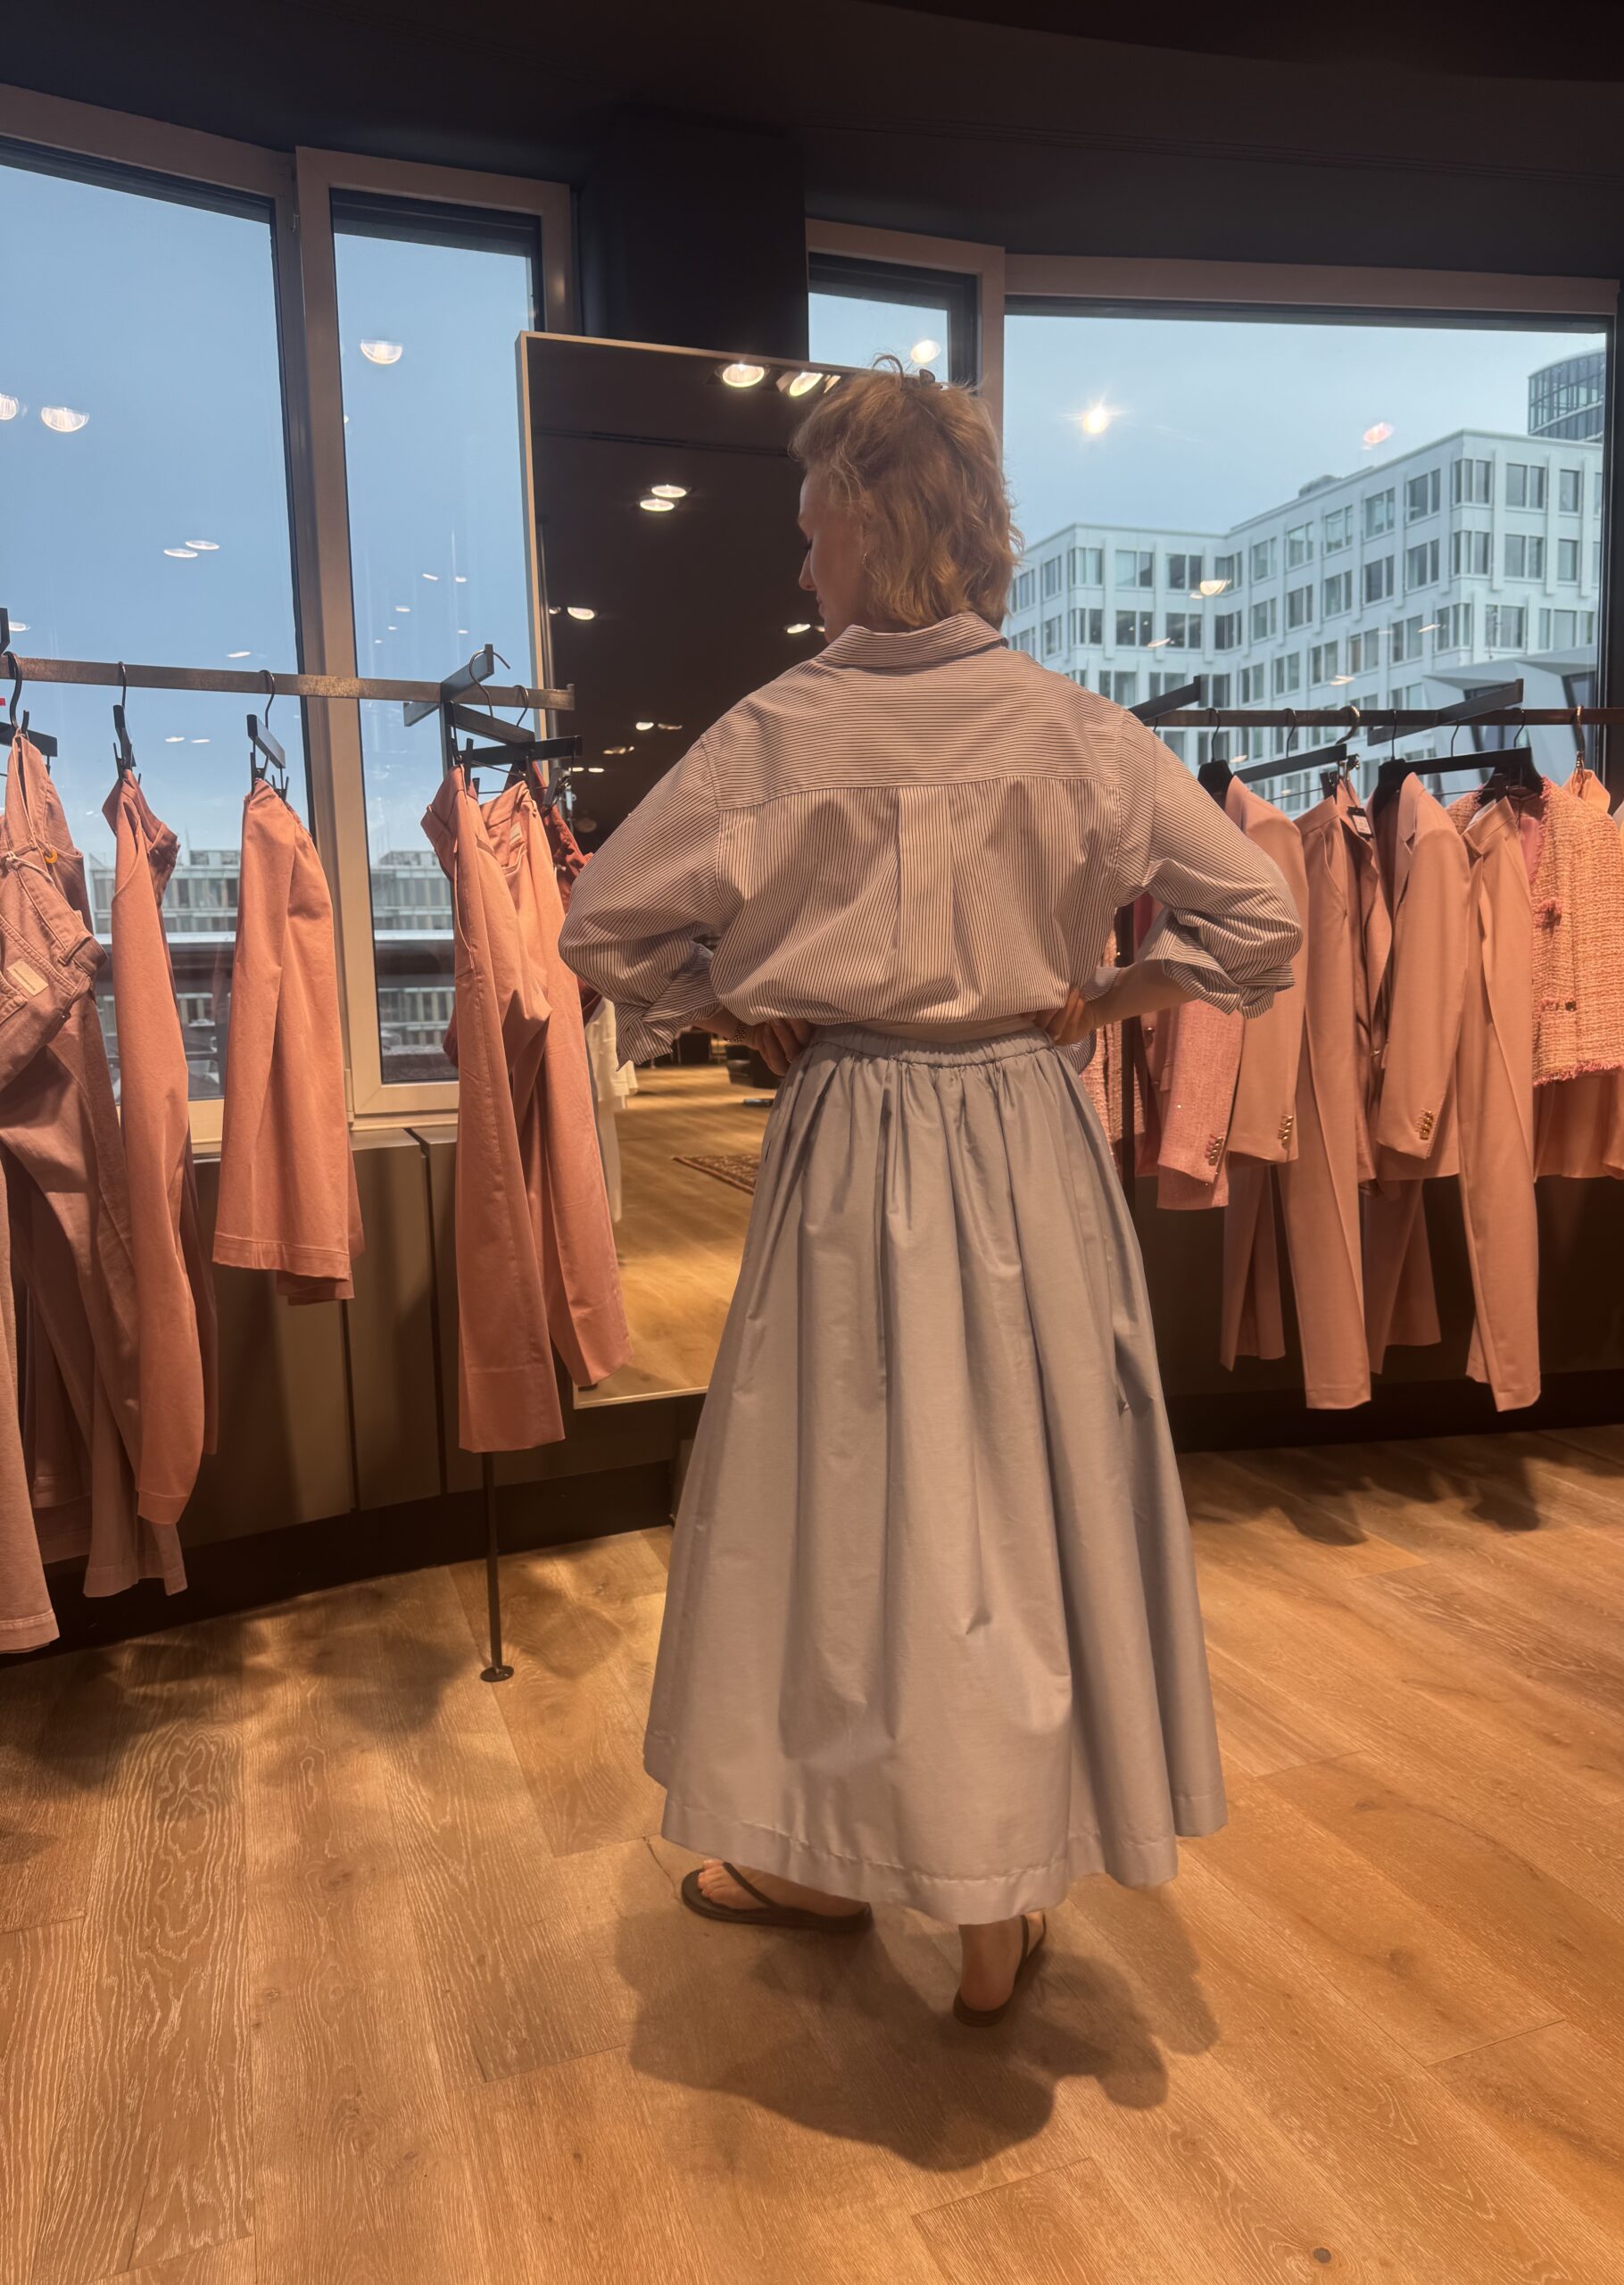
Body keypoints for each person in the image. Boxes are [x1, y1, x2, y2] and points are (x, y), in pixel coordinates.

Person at [559, 361, 1301, 2026]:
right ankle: (995, 1905)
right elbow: (1262, 919)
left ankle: (830, 1854)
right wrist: (1109, 1001)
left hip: (851, 1136)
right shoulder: (1076, 730)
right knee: (1021, 1501)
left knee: (839, 1509)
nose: (801, 563)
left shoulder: (773, 734)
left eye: (812, 530)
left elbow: (601, 927)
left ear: (872, 528)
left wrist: (734, 1006)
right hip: (1026, 1133)